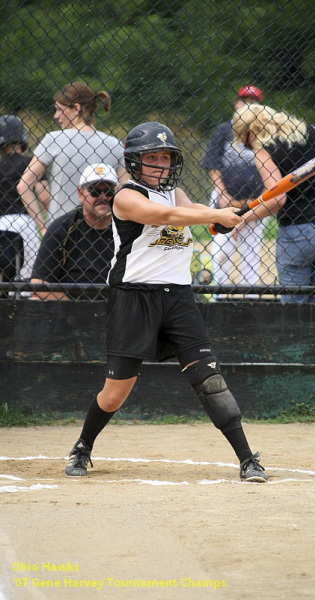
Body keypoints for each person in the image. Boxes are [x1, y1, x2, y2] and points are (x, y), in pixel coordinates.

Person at [65, 121, 268, 483]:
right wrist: (215, 214)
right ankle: (83, 446)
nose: (160, 164)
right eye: (152, 158)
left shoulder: (174, 192)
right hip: (134, 298)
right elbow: (167, 217)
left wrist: (222, 220)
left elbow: (191, 214)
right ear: (134, 161)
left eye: (165, 157)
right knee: (114, 396)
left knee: (209, 379)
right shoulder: (125, 195)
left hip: (177, 297)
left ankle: (247, 459)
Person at [232, 103, 315, 303]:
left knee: (295, 307)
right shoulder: (311, 130)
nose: (249, 147)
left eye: (246, 142)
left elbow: (277, 198)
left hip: (297, 228)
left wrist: (243, 218)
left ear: (250, 132)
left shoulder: (263, 150)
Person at [17, 81, 128, 239]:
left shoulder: (54, 140)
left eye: (59, 110)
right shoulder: (113, 144)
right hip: (104, 233)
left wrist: (43, 228)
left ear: (76, 108)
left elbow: (24, 186)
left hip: (61, 232)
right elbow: (126, 191)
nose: (56, 116)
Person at [201, 86, 269, 297]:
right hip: (225, 198)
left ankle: (251, 299)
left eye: (253, 100)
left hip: (256, 202)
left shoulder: (265, 132)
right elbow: (213, 163)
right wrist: (223, 195)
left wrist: (253, 206)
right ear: (236, 103)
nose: (247, 103)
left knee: (251, 254)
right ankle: (217, 296)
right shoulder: (224, 130)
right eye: (244, 99)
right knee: (222, 251)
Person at [30, 163, 116, 301]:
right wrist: (76, 311)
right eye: (94, 191)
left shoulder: (126, 227)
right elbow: (38, 283)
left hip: (118, 306)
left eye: (108, 191)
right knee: (34, 301)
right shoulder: (62, 227)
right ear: (81, 194)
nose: (102, 197)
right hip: (70, 308)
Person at [0, 115, 49, 281]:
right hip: (26, 223)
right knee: (26, 278)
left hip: (2, 222)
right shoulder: (31, 163)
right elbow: (44, 195)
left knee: (6, 277)